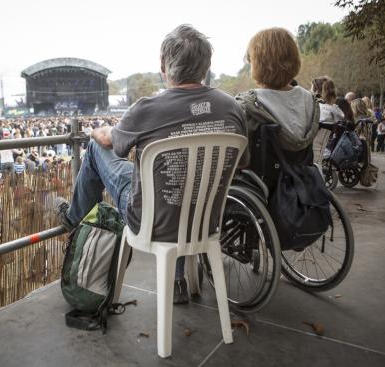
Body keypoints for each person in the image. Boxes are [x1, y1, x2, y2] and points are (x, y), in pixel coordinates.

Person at [54, 24, 247, 305]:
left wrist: (97, 131)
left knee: (99, 150)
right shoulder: (232, 108)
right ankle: (177, 279)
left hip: (151, 224)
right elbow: (241, 164)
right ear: (206, 66)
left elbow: (111, 143)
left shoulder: (147, 109)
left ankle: (75, 219)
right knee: (184, 181)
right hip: (207, 221)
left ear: (163, 66)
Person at [236, 27, 319, 186]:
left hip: (261, 186)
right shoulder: (310, 100)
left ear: (260, 64)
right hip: (304, 181)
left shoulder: (249, 103)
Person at [310, 76, 344, 165]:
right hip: (323, 150)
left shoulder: (319, 109)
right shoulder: (334, 110)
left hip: (310, 151)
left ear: (316, 91)